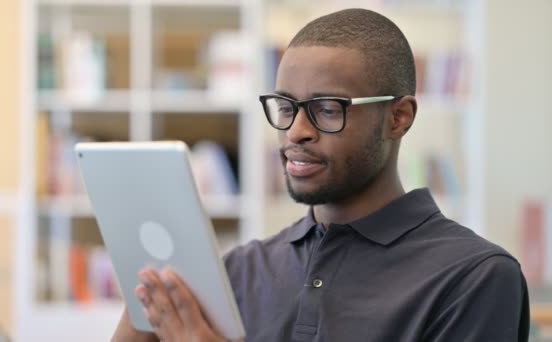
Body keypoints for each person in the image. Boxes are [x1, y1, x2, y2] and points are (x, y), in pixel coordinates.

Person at [112, 8, 530, 342]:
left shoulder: (475, 277)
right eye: (286, 107)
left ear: (398, 117)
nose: (296, 131)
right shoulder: (238, 270)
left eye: (328, 109)